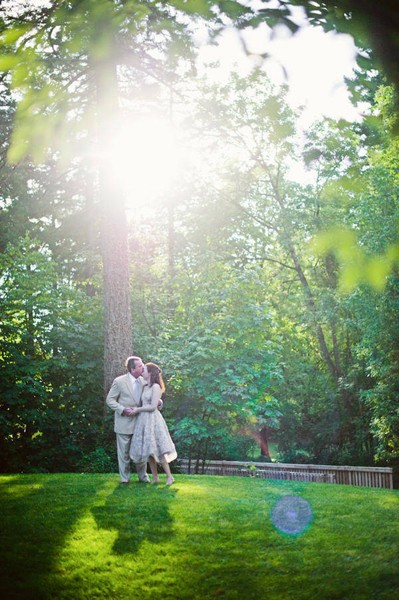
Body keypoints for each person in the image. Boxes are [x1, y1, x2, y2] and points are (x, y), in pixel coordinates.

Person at [129, 362, 177, 485]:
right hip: (144, 420)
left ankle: (169, 476)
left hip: (153, 420)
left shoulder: (156, 387)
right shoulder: (145, 386)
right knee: (149, 450)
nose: (142, 372)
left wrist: (138, 410)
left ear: (150, 373)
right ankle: (155, 477)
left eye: (144, 370)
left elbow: (152, 407)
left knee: (159, 449)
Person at [106, 355, 150, 484]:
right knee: (124, 454)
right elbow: (110, 400)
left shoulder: (144, 381)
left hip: (140, 423)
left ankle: (143, 477)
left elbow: (151, 397)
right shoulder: (119, 381)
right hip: (124, 423)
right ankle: (125, 479)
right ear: (132, 368)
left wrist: (159, 402)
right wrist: (122, 409)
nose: (143, 367)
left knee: (141, 453)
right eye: (140, 365)